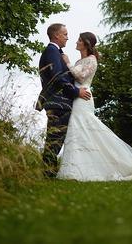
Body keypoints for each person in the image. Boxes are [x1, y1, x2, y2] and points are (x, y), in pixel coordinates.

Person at [57, 32, 132, 181]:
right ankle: (76, 169)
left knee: (86, 128)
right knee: (77, 130)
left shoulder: (92, 60)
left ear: (86, 43)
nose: (76, 42)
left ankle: (108, 164)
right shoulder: (79, 61)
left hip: (84, 97)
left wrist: (67, 63)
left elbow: (81, 77)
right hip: (76, 97)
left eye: (79, 40)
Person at [35, 23, 92, 177]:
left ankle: (49, 173)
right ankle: (48, 174)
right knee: (55, 139)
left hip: (59, 102)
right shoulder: (52, 51)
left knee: (55, 138)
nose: (68, 38)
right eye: (65, 34)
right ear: (56, 36)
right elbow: (57, 77)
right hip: (58, 102)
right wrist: (76, 91)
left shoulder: (56, 52)